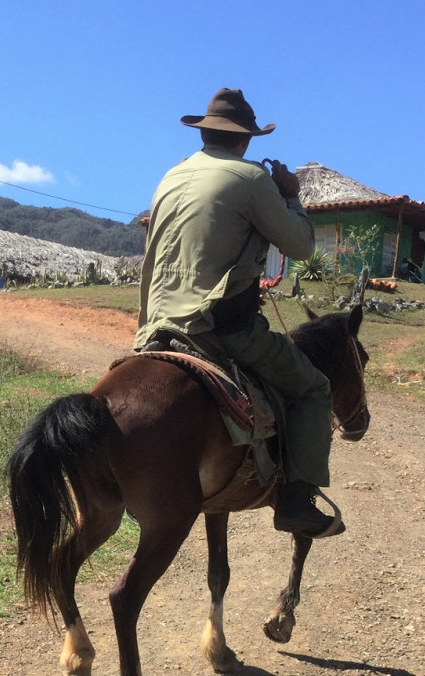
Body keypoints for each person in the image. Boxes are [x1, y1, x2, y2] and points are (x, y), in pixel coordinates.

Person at [135, 88, 343, 538]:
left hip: (155, 325)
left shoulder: (170, 177)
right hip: (219, 327)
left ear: (204, 133)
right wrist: (291, 197)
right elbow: (301, 247)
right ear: (246, 141)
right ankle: (296, 499)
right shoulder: (251, 179)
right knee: (313, 388)